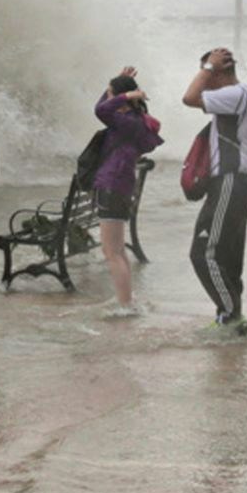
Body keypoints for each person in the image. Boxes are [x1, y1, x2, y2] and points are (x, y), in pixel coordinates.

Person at [180, 47, 247, 334]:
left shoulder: (236, 94)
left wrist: (208, 67)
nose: (205, 80)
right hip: (230, 183)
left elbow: (189, 98)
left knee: (205, 253)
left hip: (230, 181)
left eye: (209, 73)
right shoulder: (237, 98)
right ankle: (230, 315)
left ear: (221, 70)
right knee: (225, 255)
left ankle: (231, 317)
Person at [92, 67, 163, 310]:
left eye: (112, 95)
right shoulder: (137, 122)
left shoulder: (123, 123)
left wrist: (124, 95)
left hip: (111, 185)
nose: (109, 99)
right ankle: (126, 298)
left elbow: (100, 110)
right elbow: (105, 107)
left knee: (111, 252)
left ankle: (124, 305)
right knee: (118, 250)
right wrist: (122, 91)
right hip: (121, 185)